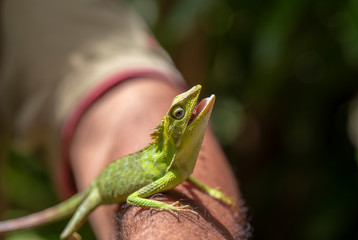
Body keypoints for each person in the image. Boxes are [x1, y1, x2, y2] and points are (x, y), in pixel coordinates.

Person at [0, 0, 249, 239]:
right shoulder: (169, 171)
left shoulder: (177, 166)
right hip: (98, 190)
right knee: (67, 231)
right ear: (174, 133)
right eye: (179, 114)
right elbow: (133, 198)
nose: (194, 96)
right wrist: (167, 208)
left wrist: (208, 190)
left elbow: (182, 171)